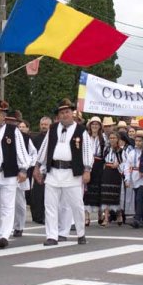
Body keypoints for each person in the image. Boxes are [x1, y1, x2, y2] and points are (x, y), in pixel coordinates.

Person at [36, 99, 94, 245]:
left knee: (76, 205)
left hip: (72, 173)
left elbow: (87, 151)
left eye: (67, 112)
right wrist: (37, 166)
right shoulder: (52, 128)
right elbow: (44, 148)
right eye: (61, 113)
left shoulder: (81, 130)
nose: (64, 115)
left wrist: (87, 169)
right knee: (50, 205)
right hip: (53, 171)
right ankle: (52, 236)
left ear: (72, 113)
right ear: (58, 115)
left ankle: (81, 233)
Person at [0, 100, 30, 247]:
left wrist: (23, 169)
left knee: (7, 206)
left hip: (9, 173)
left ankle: (4, 235)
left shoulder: (12, 130)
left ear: (4, 116)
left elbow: (21, 150)